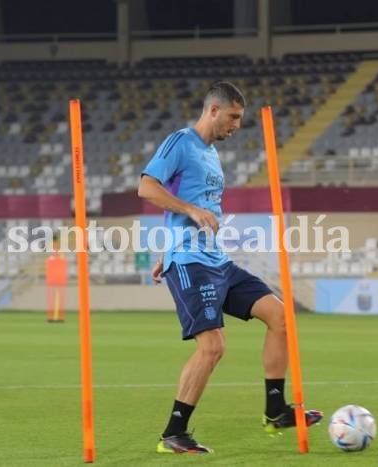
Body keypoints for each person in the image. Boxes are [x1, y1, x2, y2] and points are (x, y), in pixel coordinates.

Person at [138, 81, 322, 454]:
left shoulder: (211, 154)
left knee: (281, 316)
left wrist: (168, 243)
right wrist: (187, 218)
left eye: (241, 118)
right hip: (190, 262)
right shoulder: (181, 142)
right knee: (213, 347)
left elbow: (189, 198)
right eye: (233, 117)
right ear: (213, 111)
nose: (237, 125)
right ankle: (174, 433)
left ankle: (275, 412)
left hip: (217, 260)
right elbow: (146, 187)